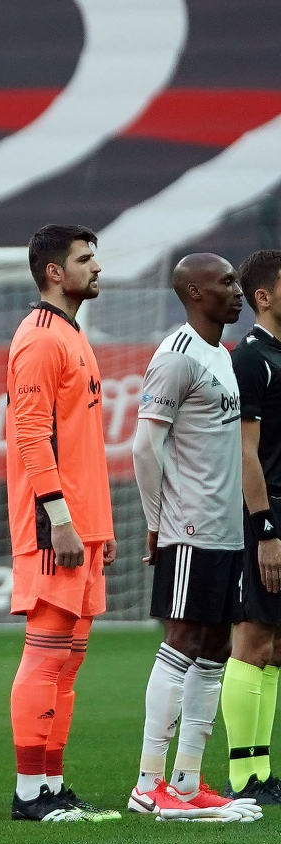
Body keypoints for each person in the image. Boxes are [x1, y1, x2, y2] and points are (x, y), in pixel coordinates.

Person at [130, 253, 259, 822]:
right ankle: (147, 782)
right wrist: (156, 520)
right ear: (192, 292)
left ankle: (185, 782)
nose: (237, 292)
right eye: (225, 283)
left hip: (225, 530)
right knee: (181, 643)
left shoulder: (222, 357)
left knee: (215, 650)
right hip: (189, 527)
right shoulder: (176, 355)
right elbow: (143, 446)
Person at [3, 224, 119, 824]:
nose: (96, 267)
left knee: (68, 661)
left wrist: (100, 525)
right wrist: (60, 516)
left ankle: (51, 785)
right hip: (56, 526)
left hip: (84, 524)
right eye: (84, 258)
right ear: (54, 271)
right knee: (45, 656)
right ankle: (28, 793)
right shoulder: (40, 338)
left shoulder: (73, 334)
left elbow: (77, 439)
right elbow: (30, 433)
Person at [222, 249, 281, 803]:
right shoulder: (252, 359)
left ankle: (264, 772)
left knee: (278, 645)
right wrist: (264, 528)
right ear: (262, 297)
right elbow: (246, 453)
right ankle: (244, 774)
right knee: (252, 640)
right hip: (267, 513)